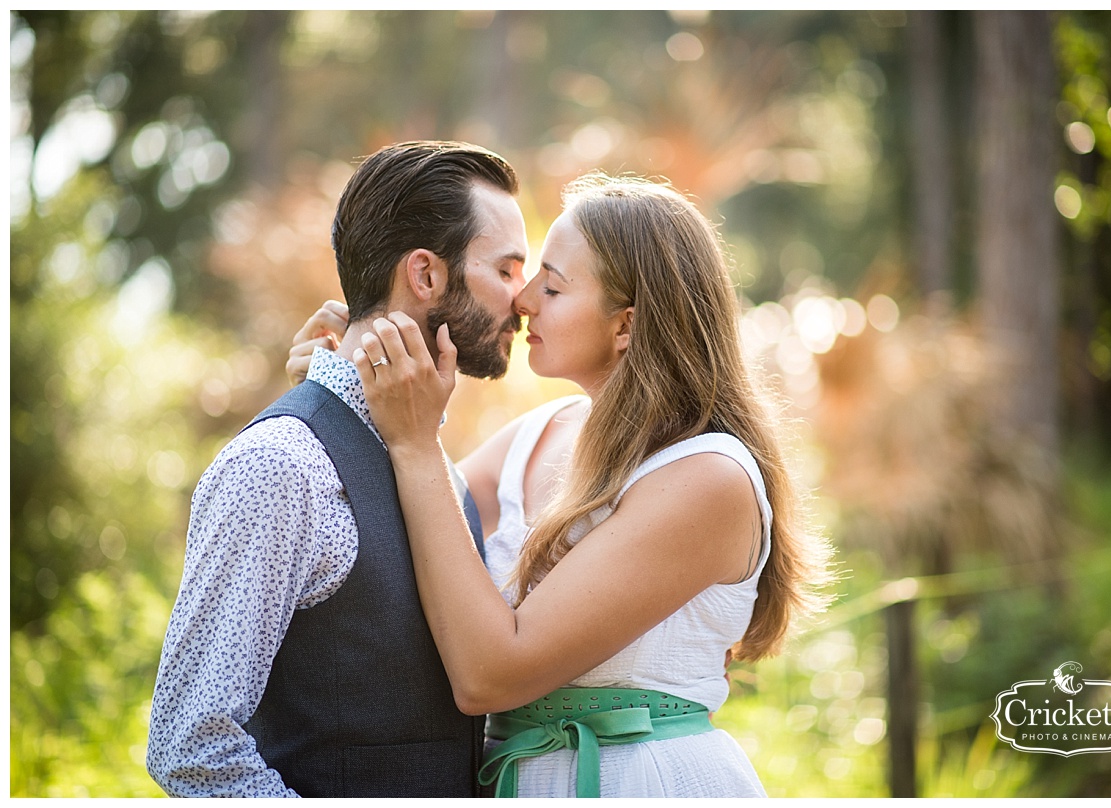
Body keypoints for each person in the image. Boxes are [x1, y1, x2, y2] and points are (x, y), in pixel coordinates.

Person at [292, 172, 832, 797]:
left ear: (626, 326)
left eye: (550, 285)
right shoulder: (534, 436)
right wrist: (340, 389)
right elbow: (393, 534)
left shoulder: (707, 479)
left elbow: (492, 674)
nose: (522, 303)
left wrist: (415, 442)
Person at [146, 140, 529, 797]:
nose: (522, 302)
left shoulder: (437, 469)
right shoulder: (279, 467)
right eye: (507, 270)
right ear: (427, 276)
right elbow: (191, 748)